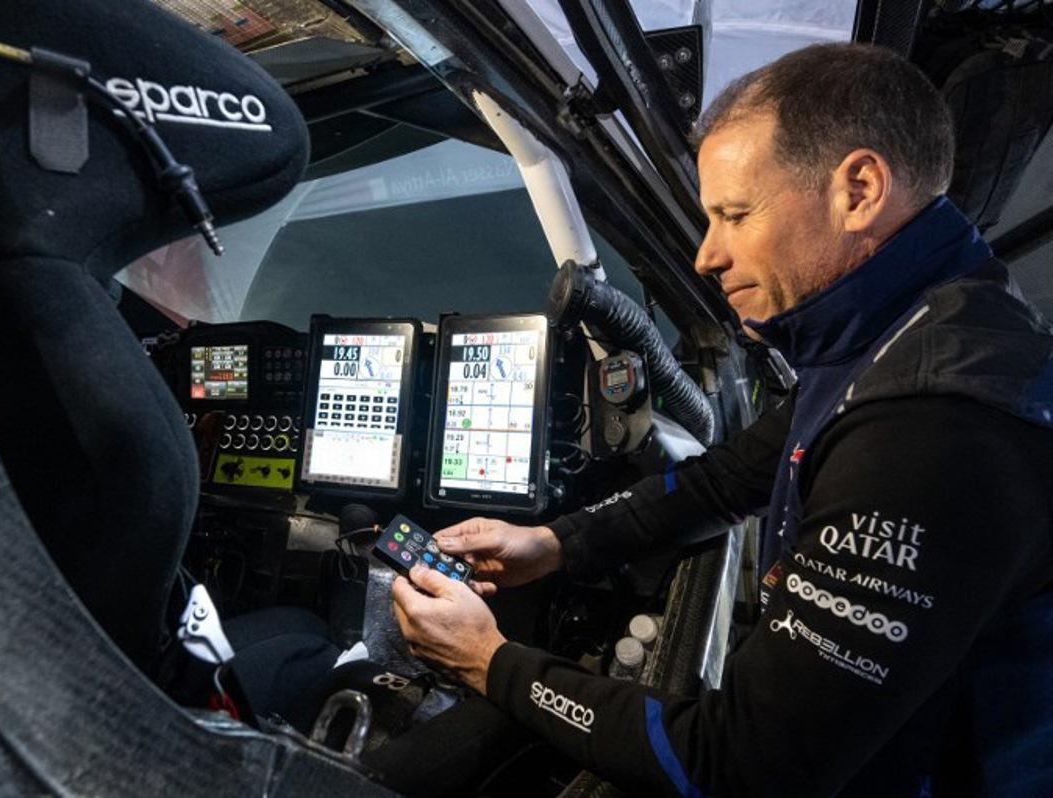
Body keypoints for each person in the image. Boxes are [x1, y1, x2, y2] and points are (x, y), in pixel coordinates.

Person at [391, 42, 1053, 797]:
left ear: (861, 189)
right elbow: (727, 479)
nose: (708, 255)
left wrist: (490, 663)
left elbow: (736, 767)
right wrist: (552, 543)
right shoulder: (891, 336)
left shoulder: (932, 430)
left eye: (735, 215)